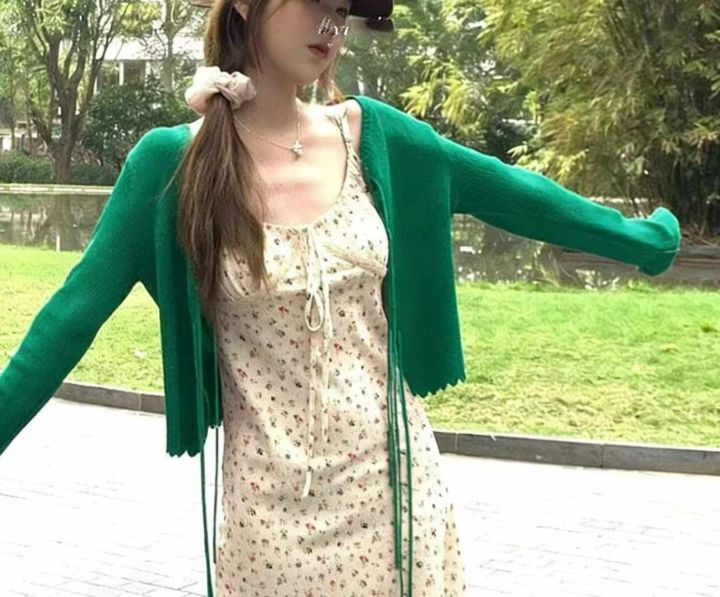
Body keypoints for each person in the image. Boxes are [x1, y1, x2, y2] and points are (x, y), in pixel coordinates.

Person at [0, 0, 682, 595]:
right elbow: (68, 318)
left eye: (343, 7)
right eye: (314, 1)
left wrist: (640, 239)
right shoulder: (175, 165)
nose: (332, 22)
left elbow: (511, 192)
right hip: (267, 523)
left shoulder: (374, 138)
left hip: (396, 502)